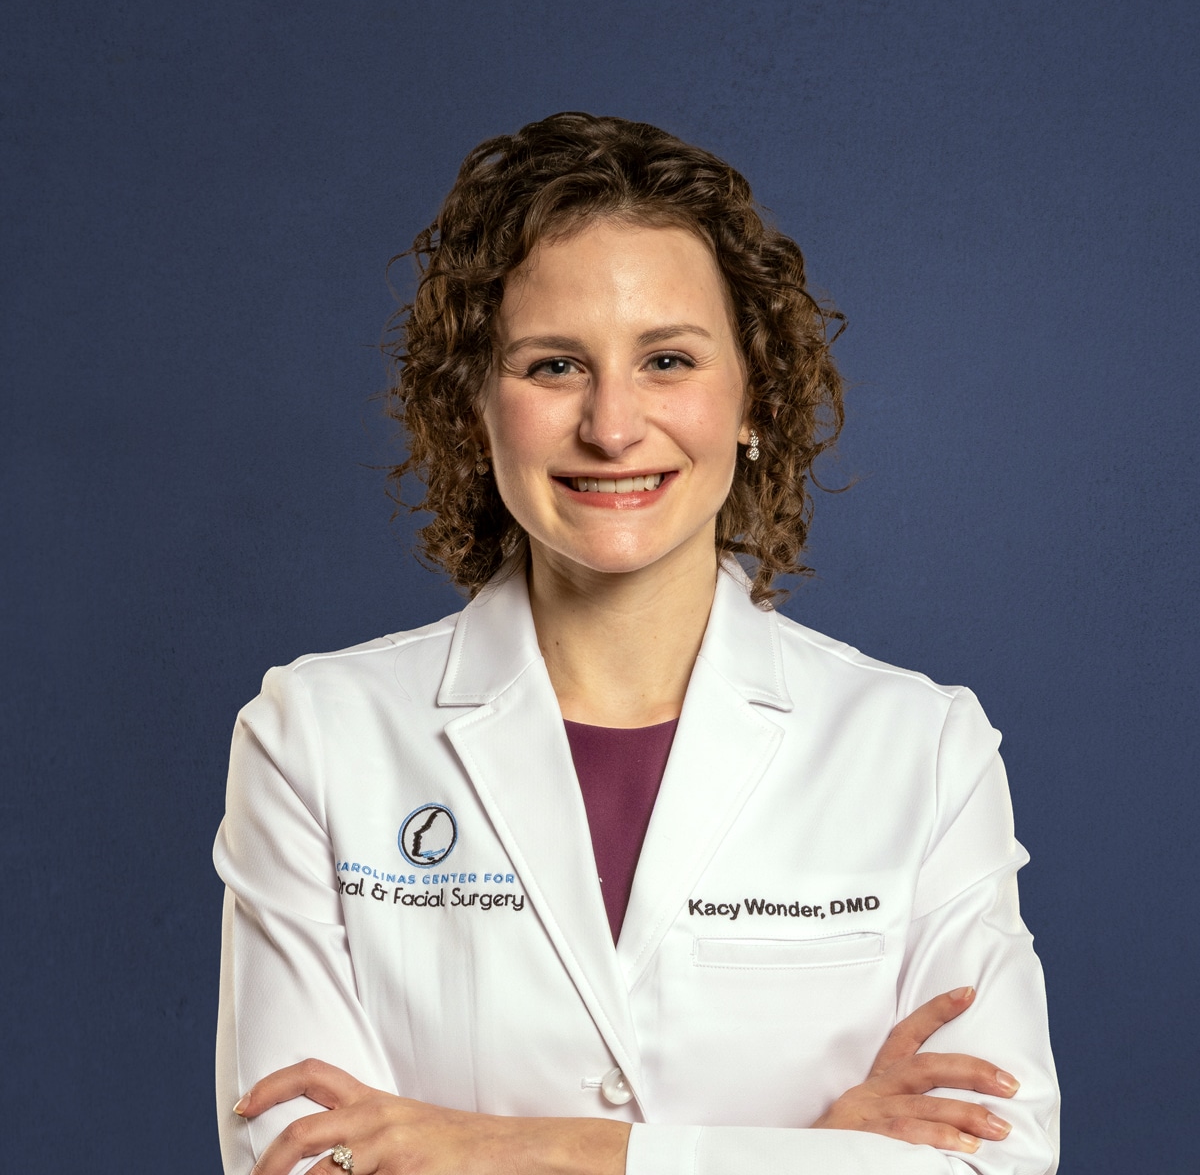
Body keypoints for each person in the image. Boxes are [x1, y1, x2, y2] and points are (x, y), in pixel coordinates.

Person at [214, 112, 1059, 1175]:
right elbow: (301, 1158)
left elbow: (991, 1161)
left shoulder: (922, 750)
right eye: (554, 366)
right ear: (474, 405)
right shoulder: (314, 737)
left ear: (754, 397)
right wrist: (810, 1156)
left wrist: (523, 1149)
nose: (612, 427)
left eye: (667, 359)